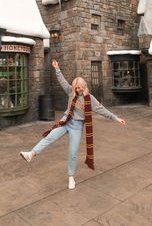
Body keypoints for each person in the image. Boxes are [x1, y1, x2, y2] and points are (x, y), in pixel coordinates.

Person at [20, 59, 126, 190]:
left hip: (77, 126)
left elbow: (102, 110)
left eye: (79, 87)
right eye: (75, 87)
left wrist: (116, 118)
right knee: (50, 137)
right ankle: (31, 154)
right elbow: (62, 81)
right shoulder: (71, 92)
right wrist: (57, 68)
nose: (77, 89)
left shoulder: (90, 99)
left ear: (84, 86)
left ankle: (71, 177)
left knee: (73, 152)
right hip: (65, 121)